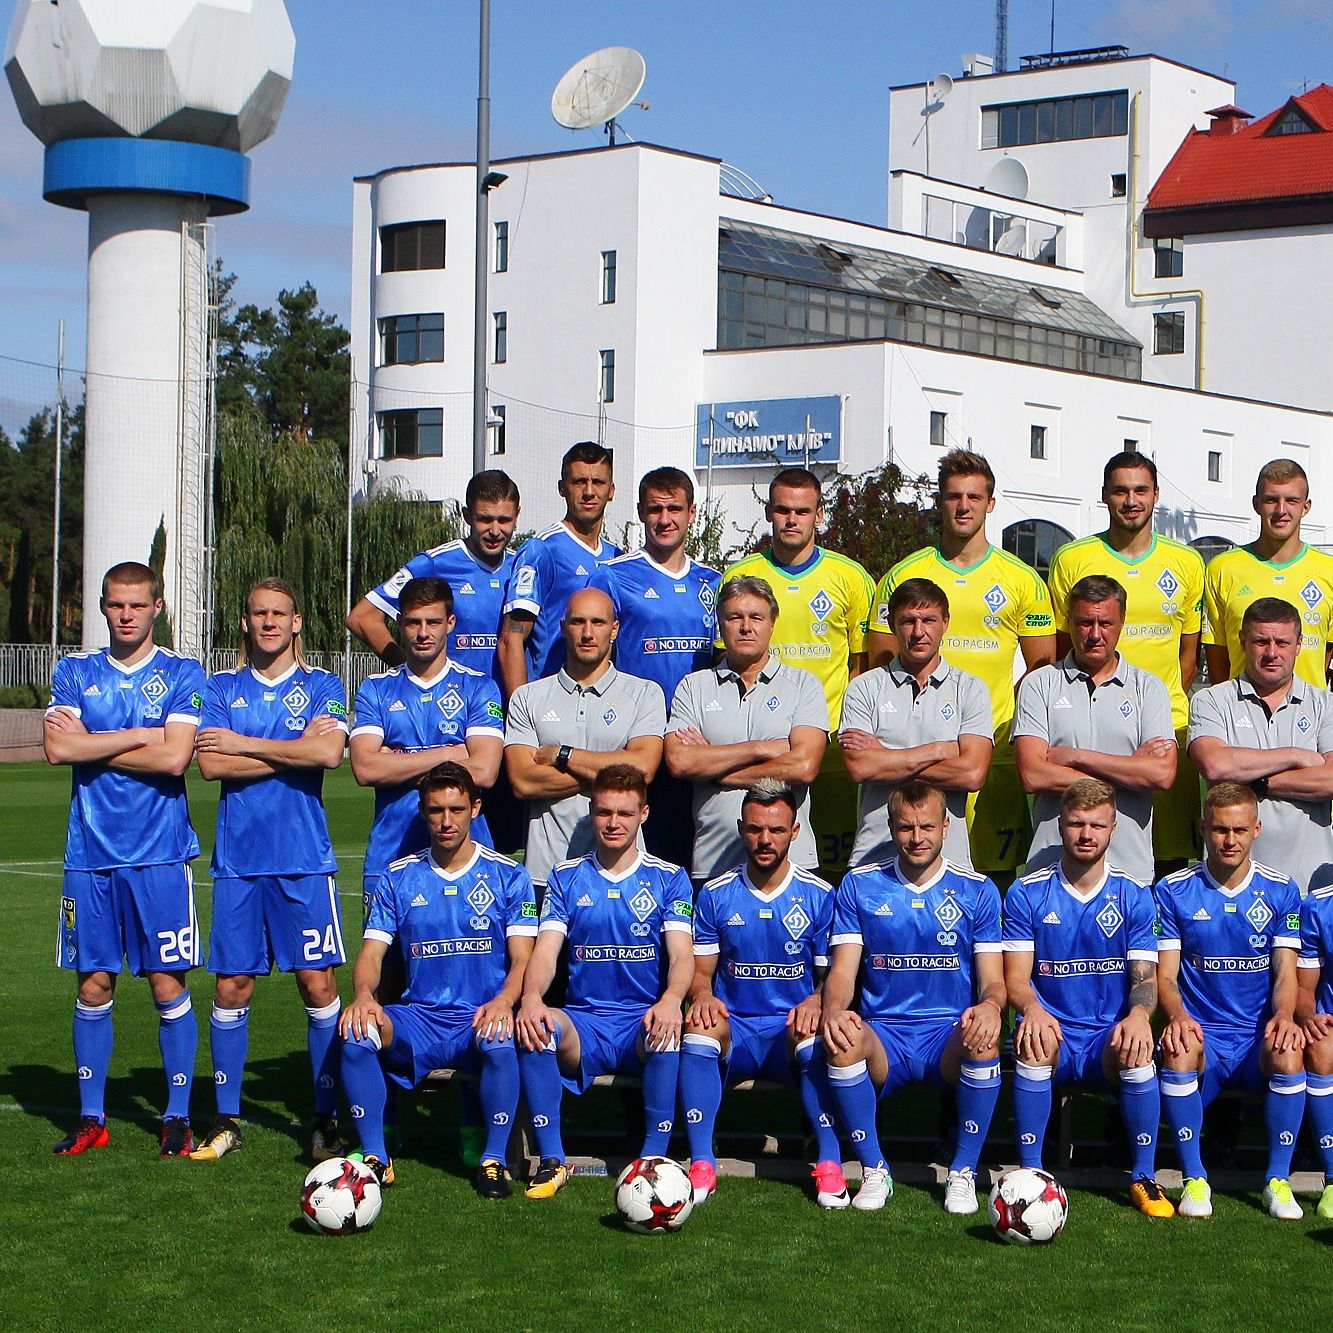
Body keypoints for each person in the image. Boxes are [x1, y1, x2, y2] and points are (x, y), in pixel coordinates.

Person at [44, 561, 205, 1157]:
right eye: (116, 605)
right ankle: (93, 1118)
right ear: (103, 607)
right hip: (88, 856)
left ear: (156, 607)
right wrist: (141, 735)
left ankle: (177, 1115)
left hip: (161, 855)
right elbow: (59, 749)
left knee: (167, 982)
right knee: (92, 984)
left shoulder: (184, 673)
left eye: (138, 605)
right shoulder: (75, 671)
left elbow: (174, 760)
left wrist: (96, 744)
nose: (127, 614)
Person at [190, 578, 350, 1163]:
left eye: (279, 613)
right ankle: (227, 1118)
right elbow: (209, 765)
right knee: (232, 986)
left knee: (319, 986)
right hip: (238, 864)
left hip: (304, 863)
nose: (268, 622)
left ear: (297, 621)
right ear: (244, 622)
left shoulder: (325, 686)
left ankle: (325, 1119)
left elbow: (329, 755)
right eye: (258, 613)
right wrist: (287, 748)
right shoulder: (220, 688)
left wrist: (245, 745)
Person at [338, 763, 537, 1197]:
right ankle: (377, 1157)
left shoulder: (509, 876)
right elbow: (372, 954)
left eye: (456, 809)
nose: (446, 821)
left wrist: (505, 1001)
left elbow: (524, 960)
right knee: (356, 1032)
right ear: (422, 812)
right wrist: (363, 996)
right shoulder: (398, 877)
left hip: (479, 1016)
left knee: (502, 1039)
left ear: (476, 809)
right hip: (420, 1018)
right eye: (435, 811)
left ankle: (494, 1160)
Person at [821, 780, 1006, 1214]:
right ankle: (874, 1169)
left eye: (926, 826)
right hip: (885, 1033)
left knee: (984, 1036)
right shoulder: (860, 886)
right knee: (843, 1038)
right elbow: (844, 970)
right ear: (890, 827)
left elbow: (993, 982)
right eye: (905, 827)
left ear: (946, 826)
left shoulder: (976, 890)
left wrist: (991, 1007)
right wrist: (834, 1010)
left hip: (947, 1033)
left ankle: (962, 1170)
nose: (917, 837)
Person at [871, 449, 1054, 882]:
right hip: (917, 754)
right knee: (910, 871)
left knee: (996, 880)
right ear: (940, 501)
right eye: (954, 496)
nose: (964, 506)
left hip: (994, 757)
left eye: (974, 496)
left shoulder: (1022, 579)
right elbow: (878, 665)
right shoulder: (904, 574)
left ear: (991, 503)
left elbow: (1040, 672)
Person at [515, 765, 694, 1200]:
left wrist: (672, 999)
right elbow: (545, 953)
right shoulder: (565, 877)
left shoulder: (669, 878)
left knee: (668, 1034)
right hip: (585, 1024)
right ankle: (553, 1160)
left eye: (625, 813)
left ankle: (651, 1161)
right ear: (592, 813)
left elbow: (682, 955)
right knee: (537, 1027)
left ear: (644, 814)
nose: (614, 822)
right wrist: (533, 997)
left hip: (641, 1023)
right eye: (604, 812)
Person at [1003, 779, 1174, 1218]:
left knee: (1137, 1049)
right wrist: (1034, 1011)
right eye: (1077, 823)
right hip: (1055, 1030)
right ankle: (1031, 1176)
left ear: (1113, 828)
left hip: (1105, 1038)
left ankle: (1142, 1176)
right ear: (1060, 824)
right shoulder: (1027, 892)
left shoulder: (1134, 897)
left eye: (1096, 824)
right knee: (1032, 1040)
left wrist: (1139, 1016)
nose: (1086, 834)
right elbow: (1016, 980)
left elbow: (1145, 979)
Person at [679, 781, 844, 1207]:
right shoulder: (716, 894)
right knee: (698, 1031)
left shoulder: (821, 896)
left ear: (794, 831)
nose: (764, 840)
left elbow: (835, 976)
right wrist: (701, 995)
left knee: (815, 1038)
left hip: (790, 1027)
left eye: (775, 830)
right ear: (740, 828)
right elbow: (700, 973)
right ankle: (701, 1162)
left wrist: (817, 998)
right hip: (736, 1028)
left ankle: (828, 1165)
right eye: (754, 829)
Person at [1155, 782, 1307, 1220]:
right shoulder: (1173, 891)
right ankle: (1194, 1179)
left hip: (1256, 1036)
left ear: (1257, 829)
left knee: (1290, 1047)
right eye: (1220, 829)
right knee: (1180, 1048)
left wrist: (1282, 1014)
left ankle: (1277, 1181)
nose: (1230, 840)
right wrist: (1179, 1015)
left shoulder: (1283, 892)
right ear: (1203, 827)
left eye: (1239, 830)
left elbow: (1285, 969)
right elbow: (1166, 976)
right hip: (1204, 1036)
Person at [1047, 451, 1205, 868]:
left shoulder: (1186, 563)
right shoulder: (1072, 559)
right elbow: (1065, 646)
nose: (1131, 500)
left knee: (1168, 857)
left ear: (1156, 495)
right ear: (1104, 495)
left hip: (1165, 728)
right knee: (1089, 844)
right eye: (1120, 490)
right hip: (1089, 721)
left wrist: (1152, 708)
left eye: (1140, 490)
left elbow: (1189, 655)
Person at [719, 467, 875, 879]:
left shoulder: (851, 577)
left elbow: (861, 666)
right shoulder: (741, 575)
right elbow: (726, 658)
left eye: (802, 511)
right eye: (783, 510)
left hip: (832, 743)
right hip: (763, 737)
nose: (792, 520)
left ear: (819, 515)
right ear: (769, 512)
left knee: (833, 860)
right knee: (761, 850)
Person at [589, 466, 720, 862]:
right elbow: (590, 650)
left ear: (692, 512)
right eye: (655, 510)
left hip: (698, 739)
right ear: (641, 512)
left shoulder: (713, 580)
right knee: (640, 849)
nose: (665, 520)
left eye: (674, 509)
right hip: (637, 736)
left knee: (697, 850)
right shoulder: (613, 575)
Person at [665, 576, 827, 886]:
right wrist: (762, 748)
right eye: (734, 617)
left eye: (756, 617)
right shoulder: (693, 687)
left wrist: (715, 770)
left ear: (771, 624)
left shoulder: (803, 686)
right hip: (714, 864)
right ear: (720, 625)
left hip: (793, 863)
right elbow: (680, 762)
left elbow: (804, 767)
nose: (745, 627)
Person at [1013, 574, 1176, 884]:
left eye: (1106, 624)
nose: (1095, 634)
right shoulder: (1039, 684)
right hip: (1051, 870)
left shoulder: (1149, 688)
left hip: (1130, 873)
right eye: (1085, 623)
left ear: (1122, 622)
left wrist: (1074, 757)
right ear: (1070, 623)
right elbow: (1032, 775)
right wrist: (1129, 771)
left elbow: (1162, 774)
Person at [503, 587, 666, 892]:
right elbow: (523, 781)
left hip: (624, 872)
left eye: (598, 623)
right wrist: (616, 769)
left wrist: (563, 754)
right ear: (563, 628)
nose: (588, 633)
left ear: (614, 629)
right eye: (578, 622)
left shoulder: (645, 693)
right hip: (546, 874)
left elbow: (643, 769)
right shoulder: (528, 697)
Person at [350, 576, 504, 880]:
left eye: (433, 622)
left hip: (469, 860)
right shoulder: (375, 689)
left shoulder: (479, 687)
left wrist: (396, 764)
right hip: (390, 855)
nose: (423, 633)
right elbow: (365, 769)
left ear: (450, 623)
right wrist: (452, 753)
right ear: (398, 623)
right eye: (413, 622)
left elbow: (485, 771)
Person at [838, 578, 991, 870]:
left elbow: (972, 774)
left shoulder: (970, 689)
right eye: (908, 621)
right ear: (893, 625)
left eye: (928, 620)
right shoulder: (864, 688)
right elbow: (859, 767)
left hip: (949, 864)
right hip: (874, 859)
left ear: (945, 622)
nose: (918, 632)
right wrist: (939, 750)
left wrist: (884, 756)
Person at [1188, 597, 1333, 894]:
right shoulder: (1211, 701)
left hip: (1308, 888)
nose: (1271, 653)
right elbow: (1216, 765)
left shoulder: (1326, 704)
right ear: (1242, 641)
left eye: (1281, 642)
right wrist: (1296, 755)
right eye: (1261, 642)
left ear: (1298, 644)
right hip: (1228, 887)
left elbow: (1330, 780)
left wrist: (1260, 782)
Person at [347, 469, 520, 689]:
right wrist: (410, 671)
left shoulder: (523, 567)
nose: (495, 530)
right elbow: (362, 618)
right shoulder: (434, 563)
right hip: (451, 708)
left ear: (517, 516)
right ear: (467, 516)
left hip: (511, 710)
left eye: (504, 520)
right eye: (485, 519)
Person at [499, 442, 619, 693]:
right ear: (562, 488)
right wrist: (522, 718)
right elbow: (511, 639)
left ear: (611, 490)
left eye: (597, 482)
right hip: (549, 704)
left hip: (602, 705)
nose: (589, 492)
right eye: (579, 482)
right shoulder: (541, 550)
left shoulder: (617, 557)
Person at [1203, 458, 1333, 689]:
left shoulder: (1328, 571)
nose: (1281, 510)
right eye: (1271, 500)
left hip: (1308, 719)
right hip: (1241, 716)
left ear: (1306, 506)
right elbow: (1217, 657)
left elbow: (1325, 654)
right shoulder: (1222, 569)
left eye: (1292, 500)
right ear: (1256, 504)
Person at [1296, 874, 1333, 1219]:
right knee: (1320, 1044)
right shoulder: (1319, 906)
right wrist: (1308, 1016)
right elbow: (1305, 991)